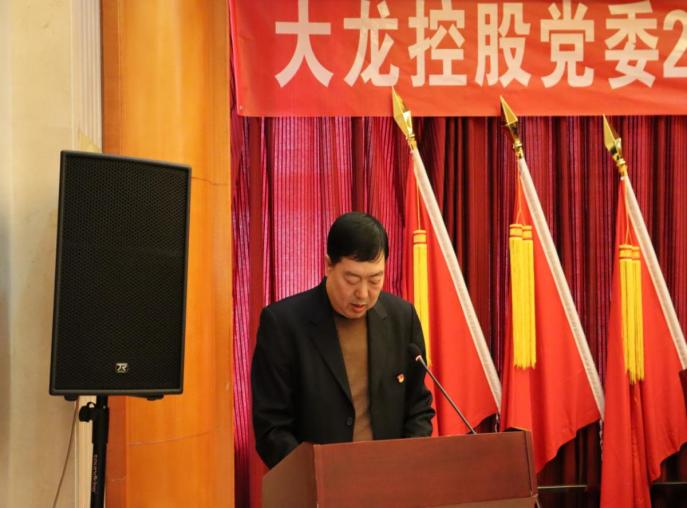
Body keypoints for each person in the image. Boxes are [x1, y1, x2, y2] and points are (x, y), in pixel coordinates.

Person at [251, 211, 434, 468]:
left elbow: (418, 407)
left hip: (390, 477)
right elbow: (271, 426)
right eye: (352, 279)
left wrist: (405, 465)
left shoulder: (402, 318)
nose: (363, 294)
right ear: (329, 265)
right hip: (316, 482)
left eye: (375, 280)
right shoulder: (283, 324)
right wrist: (313, 477)